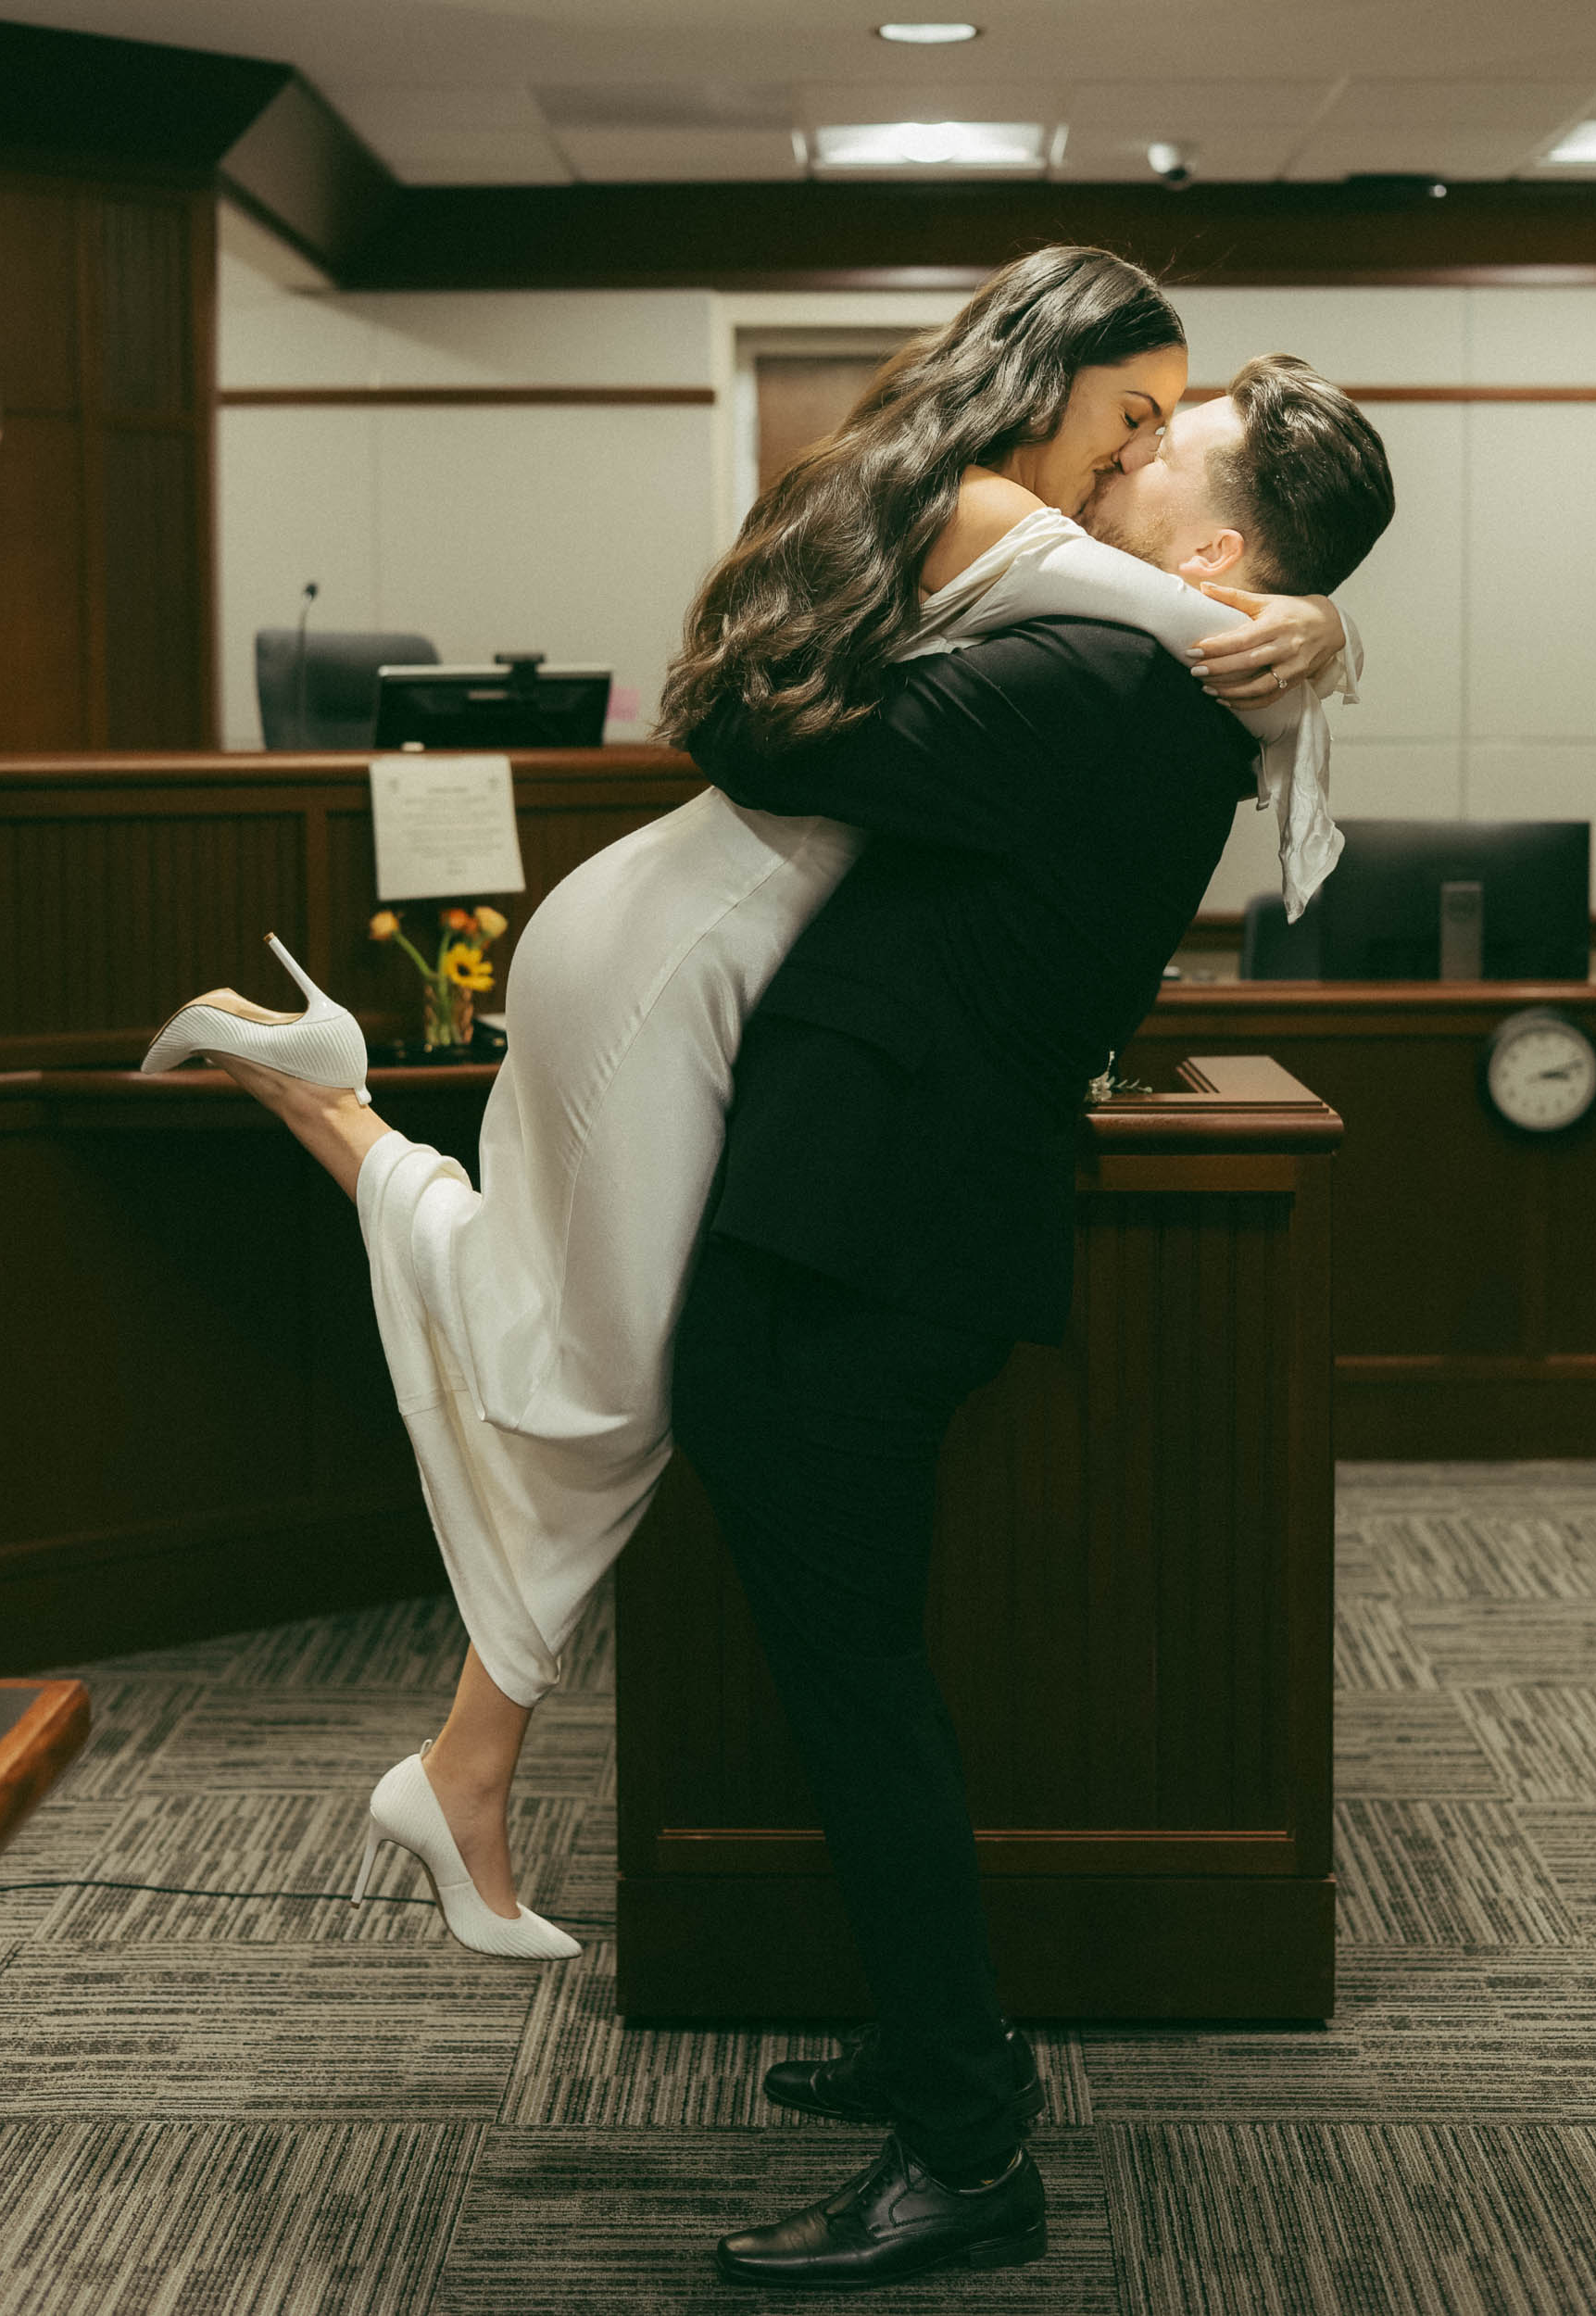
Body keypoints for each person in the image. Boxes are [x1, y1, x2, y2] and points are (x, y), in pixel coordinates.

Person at [136, 250, 1383, 1974]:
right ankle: (458, 1735)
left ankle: (461, 1751)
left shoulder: (1100, 621)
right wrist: (1303, 633)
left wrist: (1301, 629)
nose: (1137, 449)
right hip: (666, 948)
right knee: (601, 1380)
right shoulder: (1021, 533)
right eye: (1139, 411)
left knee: (609, 1374)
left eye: (1170, 435)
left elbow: (1168, 635)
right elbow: (1130, 634)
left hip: (694, 956)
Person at [668, 354, 1393, 2287]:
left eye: (1170, 450)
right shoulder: (1155, 675)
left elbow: (749, 721)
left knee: (854, 1679)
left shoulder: (1102, 682)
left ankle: (965, 2147)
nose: (1128, 449)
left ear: (1220, 552)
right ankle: (929, 2044)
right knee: (859, 1657)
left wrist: (896, 497)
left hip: (864, 1229)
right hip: (892, 1212)